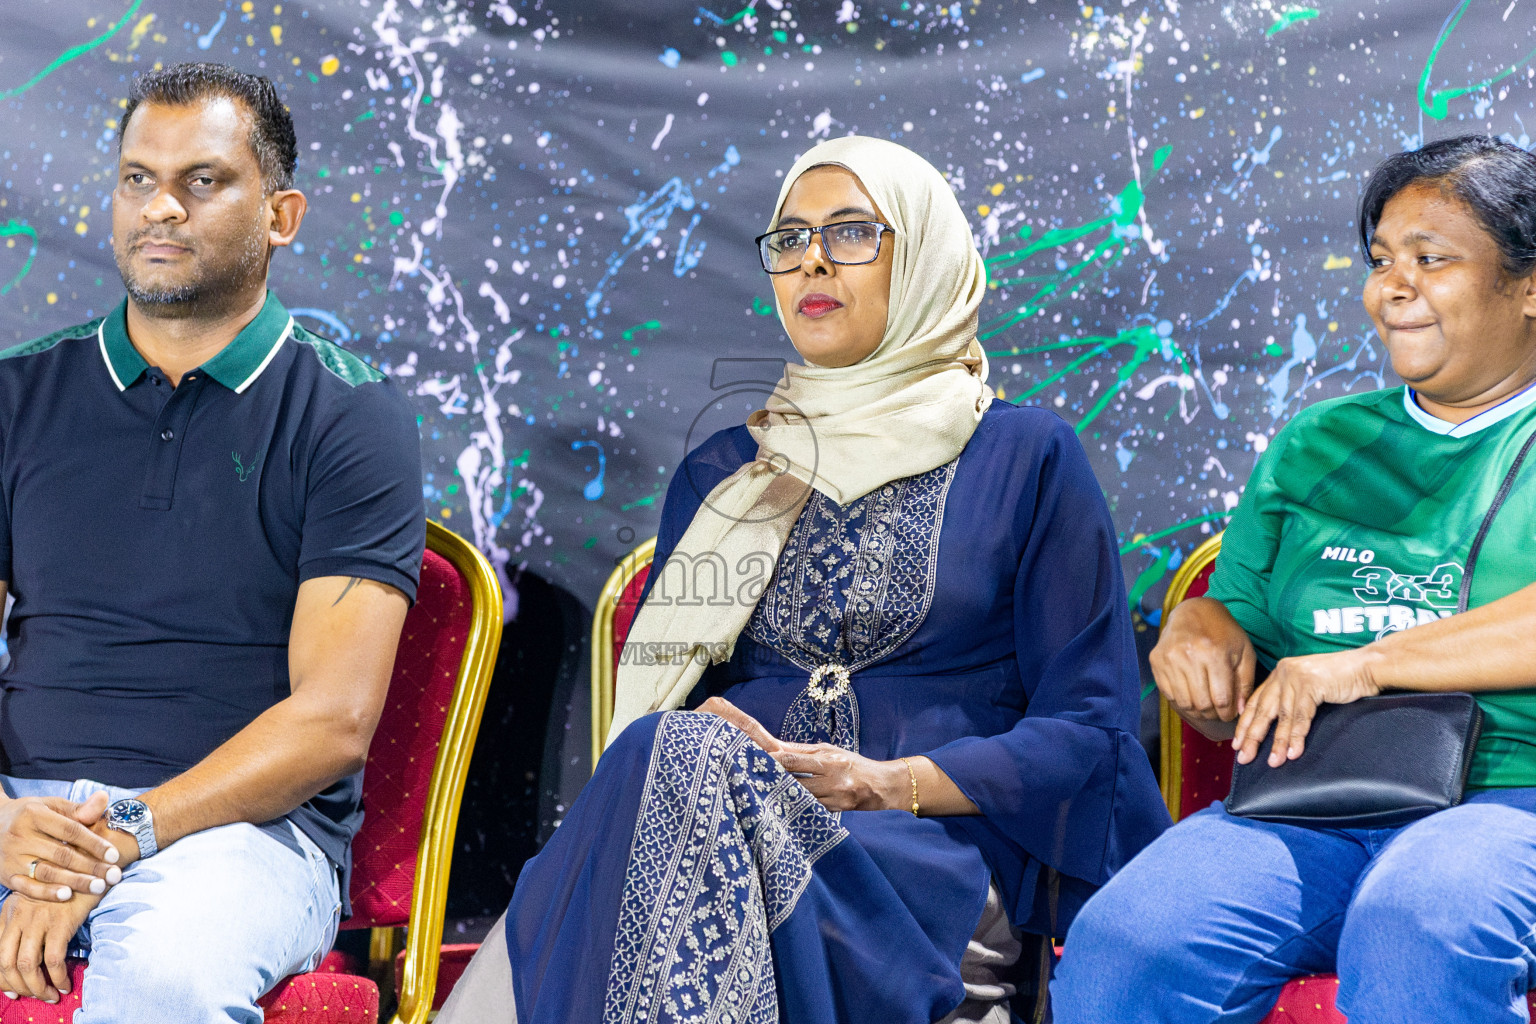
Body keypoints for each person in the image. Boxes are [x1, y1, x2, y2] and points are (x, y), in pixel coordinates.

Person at [439, 135, 1167, 1023]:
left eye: (854, 232)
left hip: (929, 860)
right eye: (789, 240)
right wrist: (704, 733)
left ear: (928, 255)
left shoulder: (1025, 457)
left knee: (664, 807)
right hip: (715, 831)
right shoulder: (724, 473)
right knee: (671, 758)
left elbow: (1086, 731)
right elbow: (665, 725)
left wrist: (886, 781)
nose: (812, 259)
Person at [1052, 134, 1536, 1024]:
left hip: (1512, 796)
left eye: (1432, 260)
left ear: (1530, 285)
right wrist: (1198, 638)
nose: (1394, 287)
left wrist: (1367, 662)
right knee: (1128, 943)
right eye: (1383, 260)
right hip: (1314, 792)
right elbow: (1232, 616)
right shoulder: (1317, 442)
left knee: (1417, 924)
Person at [0, 63, 424, 1018]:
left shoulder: (350, 416)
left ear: (281, 216)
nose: (161, 209)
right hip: (19, 810)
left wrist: (127, 833)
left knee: (168, 975)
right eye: (138, 179)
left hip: (238, 836)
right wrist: (7, 830)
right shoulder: (16, 396)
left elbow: (333, 721)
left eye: (202, 181)